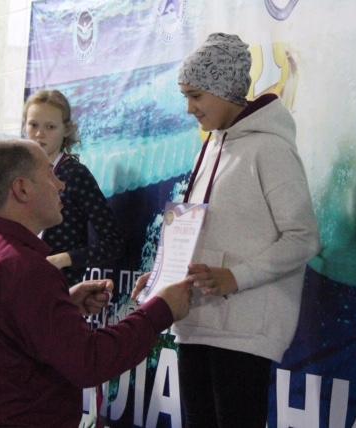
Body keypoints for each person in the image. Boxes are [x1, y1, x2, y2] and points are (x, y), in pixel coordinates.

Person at [0, 139, 192, 427]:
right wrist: (160, 309)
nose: (61, 185)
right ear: (22, 189)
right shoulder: (25, 268)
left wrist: (64, 304)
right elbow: (88, 362)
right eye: (50, 174)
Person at [133, 33, 320, 427]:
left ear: (225, 89)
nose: (189, 108)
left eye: (196, 95)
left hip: (243, 333)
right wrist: (163, 278)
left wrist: (237, 277)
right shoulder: (212, 148)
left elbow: (303, 238)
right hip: (196, 324)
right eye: (185, 96)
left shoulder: (270, 149)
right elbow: (198, 231)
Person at [23, 90, 124, 285]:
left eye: (50, 126)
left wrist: (62, 260)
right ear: (24, 125)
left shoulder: (75, 175)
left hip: (61, 288)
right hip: (24, 280)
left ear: (67, 130)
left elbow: (113, 243)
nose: (39, 134)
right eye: (33, 125)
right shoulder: (19, 173)